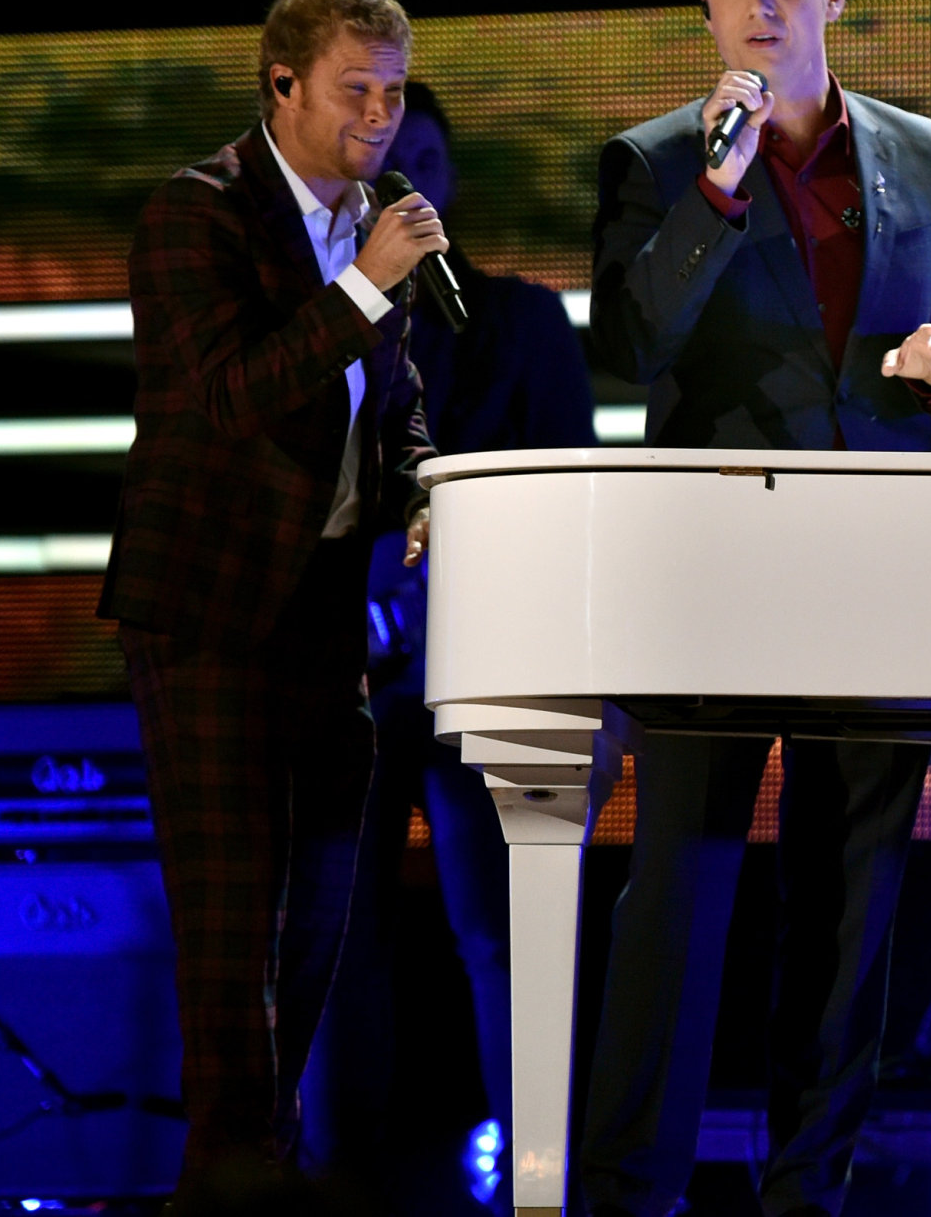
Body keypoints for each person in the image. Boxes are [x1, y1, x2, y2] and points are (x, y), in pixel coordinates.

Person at [580, 0, 931, 1217]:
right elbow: (631, 344)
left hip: (881, 572)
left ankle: (805, 1192)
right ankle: (629, 1189)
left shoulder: (926, 153)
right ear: (702, 9)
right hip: (710, 575)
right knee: (677, 896)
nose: (761, 6)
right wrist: (714, 193)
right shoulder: (655, 161)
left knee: (849, 904)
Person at [98, 0, 446, 1191]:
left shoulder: (374, 224)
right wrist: (364, 287)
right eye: (356, 88)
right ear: (282, 83)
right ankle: (235, 1164)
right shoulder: (196, 213)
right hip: (206, 610)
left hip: (322, 612)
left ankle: (257, 1146)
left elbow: (391, 409)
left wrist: (414, 493)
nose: (380, 115)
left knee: (321, 908)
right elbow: (232, 394)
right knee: (231, 913)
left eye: (394, 92)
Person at [299, 82, 599, 1210]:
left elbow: (572, 507)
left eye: (423, 154)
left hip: (497, 680)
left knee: (508, 939)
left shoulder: (520, 321)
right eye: (381, 155)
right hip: (347, 677)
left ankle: (539, 1184)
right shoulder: (320, 319)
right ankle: (338, 1187)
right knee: (339, 943)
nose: (406, 175)